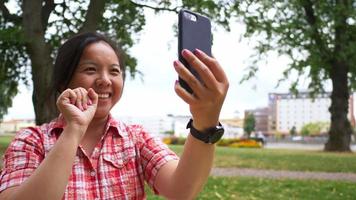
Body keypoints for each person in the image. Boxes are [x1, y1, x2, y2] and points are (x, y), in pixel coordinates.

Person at [0, 32, 229, 199]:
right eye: (90, 69)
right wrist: (74, 130)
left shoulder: (136, 138)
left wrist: (205, 120)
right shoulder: (31, 141)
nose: (105, 80)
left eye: (114, 71)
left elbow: (181, 189)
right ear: (63, 82)